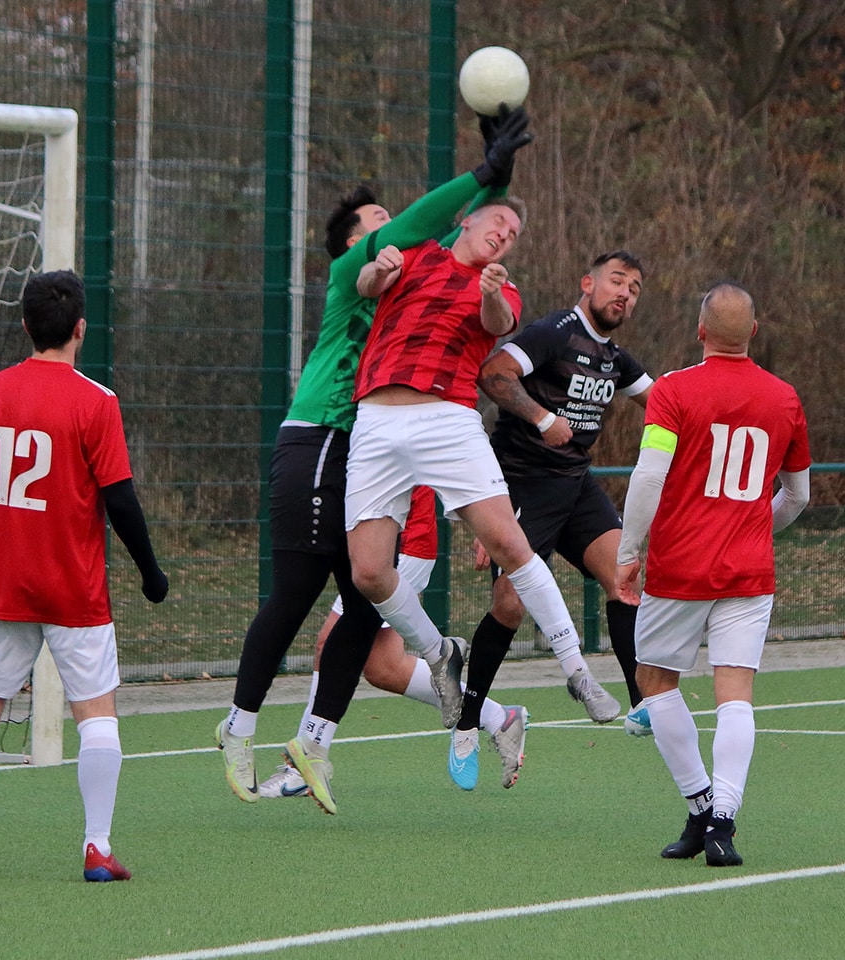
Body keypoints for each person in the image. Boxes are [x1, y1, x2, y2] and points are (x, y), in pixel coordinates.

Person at [215, 106, 535, 813]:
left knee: (363, 606)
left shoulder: (420, 283)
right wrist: (483, 175)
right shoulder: (349, 275)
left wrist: (493, 185)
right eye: (379, 225)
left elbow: (458, 239)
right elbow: (426, 220)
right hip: (319, 442)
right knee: (303, 601)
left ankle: (314, 746)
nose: (397, 233)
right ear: (361, 244)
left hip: (366, 457)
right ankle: (241, 728)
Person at [345, 194, 624, 795]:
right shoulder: (415, 254)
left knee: (510, 544)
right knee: (368, 573)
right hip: (375, 419)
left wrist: (493, 290)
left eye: (515, 232)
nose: (506, 234)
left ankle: (577, 670)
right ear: (467, 218)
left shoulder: (502, 288)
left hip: (446, 418)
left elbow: (497, 325)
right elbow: (363, 286)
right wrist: (379, 268)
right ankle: (437, 652)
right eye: (499, 221)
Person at [0, 269, 168, 882]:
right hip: (74, 589)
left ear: (26, 326)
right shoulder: (96, 402)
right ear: (81, 328)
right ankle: (97, 847)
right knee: (97, 715)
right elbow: (122, 501)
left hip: (4, 585)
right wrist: (151, 572)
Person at [615, 283, 811, 868]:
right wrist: (753, 532)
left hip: (678, 567)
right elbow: (797, 496)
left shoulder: (673, 390)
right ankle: (721, 817)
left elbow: (649, 479)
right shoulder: (785, 398)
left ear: (700, 331)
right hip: (749, 571)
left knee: (656, 681)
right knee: (736, 695)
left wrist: (628, 549)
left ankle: (702, 803)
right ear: (754, 332)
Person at [446, 250, 652, 790]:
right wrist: (541, 418)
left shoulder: (616, 359)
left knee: (627, 580)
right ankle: (467, 725)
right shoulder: (554, 332)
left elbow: (664, 405)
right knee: (509, 606)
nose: (623, 293)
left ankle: (641, 705)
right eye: (615, 281)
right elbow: (493, 374)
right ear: (587, 283)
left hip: (576, 489)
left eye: (633, 288)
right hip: (520, 485)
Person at [259, 486, 525, 798]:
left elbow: (455, 455)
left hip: (402, 544)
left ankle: (304, 764)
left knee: (330, 643)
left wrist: (489, 525)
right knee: (383, 666)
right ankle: (498, 717)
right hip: (383, 541)